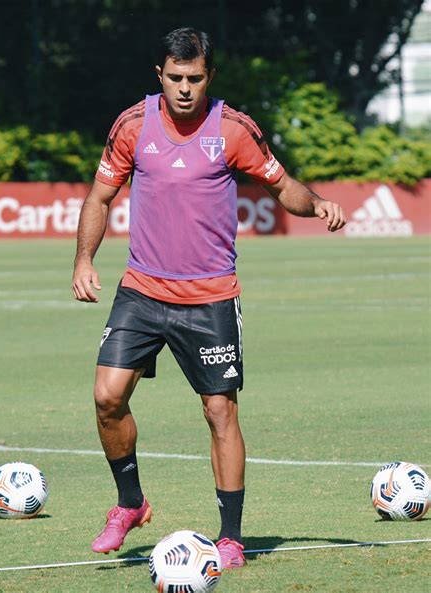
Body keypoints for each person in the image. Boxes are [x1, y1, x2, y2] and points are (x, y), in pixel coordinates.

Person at [72, 27, 346, 570]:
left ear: (209, 77)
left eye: (195, 78)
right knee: (107, 397)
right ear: (160, 75)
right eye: (175, 78)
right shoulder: (132, 124)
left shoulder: (234, 129)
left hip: (211, 298)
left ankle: (231, 537)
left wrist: (316, 204)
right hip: (142, 290)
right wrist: (83, 259)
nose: (184, 89)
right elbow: (100, 195)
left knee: (220, 411)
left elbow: (281, 184)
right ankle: (131, 503)